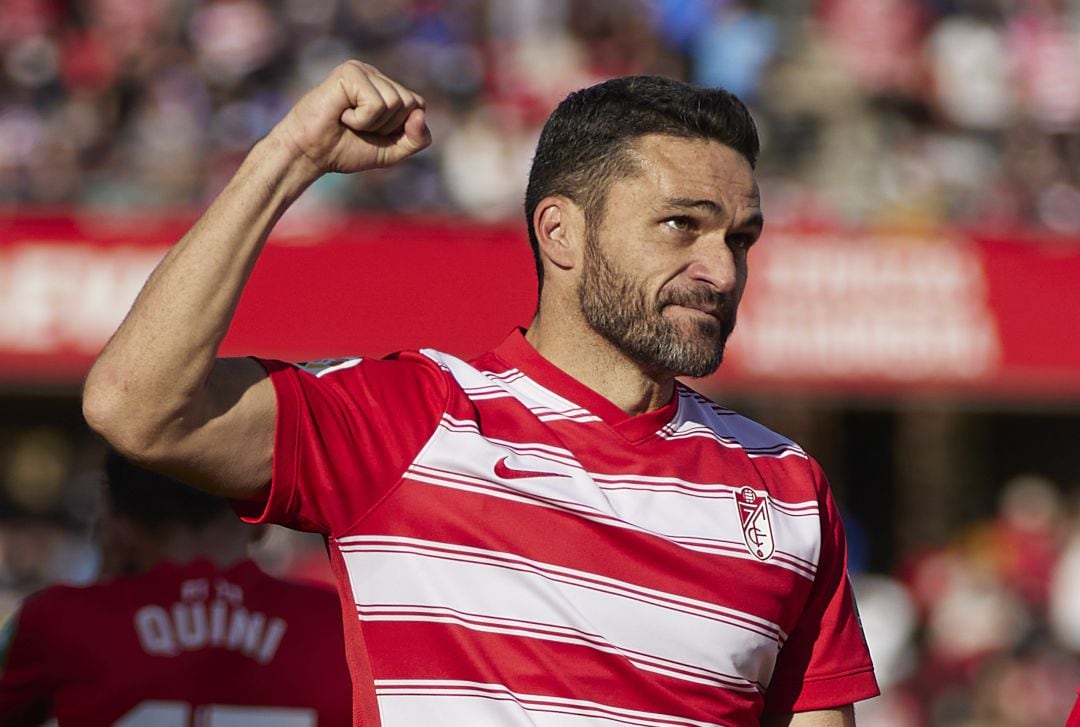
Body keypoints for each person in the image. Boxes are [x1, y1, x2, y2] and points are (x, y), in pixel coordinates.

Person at [82, 60, 879, 726]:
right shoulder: (411, 419)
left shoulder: (786, 485)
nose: (724, 271)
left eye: (740, 237)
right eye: (682, 225)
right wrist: (287, 156)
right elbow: (135, 404)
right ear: (559, 231)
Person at [0, 449, 352, 726]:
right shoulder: (339, 625)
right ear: (260, 520)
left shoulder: (60, 620)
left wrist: (104, 583)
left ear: (115, 521)